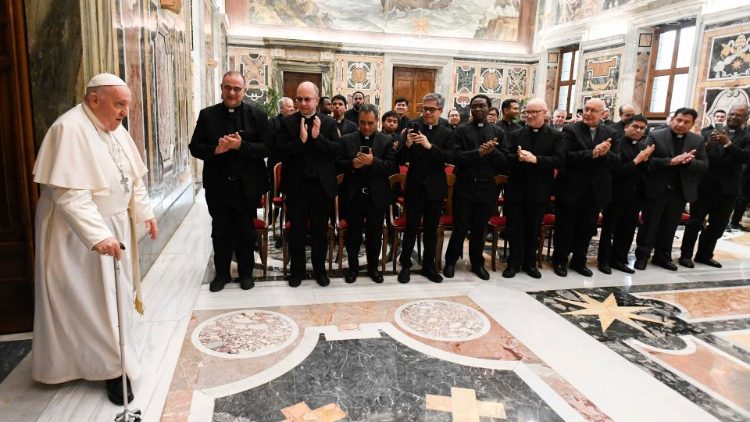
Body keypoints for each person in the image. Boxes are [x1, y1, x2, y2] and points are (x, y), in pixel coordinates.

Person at [32, 73, 159, 405]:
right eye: (119, 104)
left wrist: (145, 212)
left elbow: (132, 177)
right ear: (94, 99)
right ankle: (111, 371)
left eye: (126, 106)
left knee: (113, 300)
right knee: (92, 305)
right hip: (77, 235)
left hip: (112, 227)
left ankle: (114, 357)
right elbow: (70, 194)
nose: (123, 113)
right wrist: (98, 235)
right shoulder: (68, 129)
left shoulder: (114, 130)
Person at [189, 71, 270, 292]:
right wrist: (216, 149)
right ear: (221, 88)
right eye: (228, 87)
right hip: (219, 186)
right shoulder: (208, 115)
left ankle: (246, 273)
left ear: (244, 91)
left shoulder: (258, 116)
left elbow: (266, 147)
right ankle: (222, 274)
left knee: (246, 231)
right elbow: (194, 147)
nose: (232, 93)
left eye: (237, 89)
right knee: (221, 231)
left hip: (247, 187)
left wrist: (240, 146)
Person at [276, 81, 342, 287]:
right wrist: (300, 141)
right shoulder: (287, 123)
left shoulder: (329, 123)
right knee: (296, 232)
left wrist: (317, 138)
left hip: (321, 188)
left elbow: (336, 152)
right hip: (296, 187)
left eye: (307, 99)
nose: (303, 103)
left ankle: (320, 270)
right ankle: (297, 271)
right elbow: (278, 152)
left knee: (319, 232)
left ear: (317, 99)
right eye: (300, 99)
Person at [634, 108, 708, 271]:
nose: (681, 124)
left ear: (692, 124)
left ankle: (662, 257)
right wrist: (671, 161)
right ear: (673, 119)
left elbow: (704, 165)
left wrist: (688, 162)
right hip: (656, 189)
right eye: (678, 120)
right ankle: (642, 257)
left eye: (686, 122)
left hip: (679, 192)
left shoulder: (697, 140)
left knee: (670, 226)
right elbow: (646, 161)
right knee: (649, 225)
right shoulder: (656, 135)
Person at [553, 98, 619, 277]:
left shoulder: (611, 132)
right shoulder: (570, 129)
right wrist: (592, 153)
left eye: (593, 110)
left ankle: (579, 261)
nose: (588, 113)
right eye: (586, 109)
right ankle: (560, 260)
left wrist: (604, 154)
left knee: (587, 228)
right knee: (565, 227)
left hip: (595, 190)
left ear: (603, 113)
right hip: (571, 187)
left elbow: (617, 161)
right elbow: (565, 157)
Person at [443, 94, 507, 280]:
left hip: (487, 187)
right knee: (460, 227)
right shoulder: (461, 131)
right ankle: (450, 261)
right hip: (464, 186)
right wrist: (478, 152)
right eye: (474, 106)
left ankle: (477, 263)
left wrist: (492, 151)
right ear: (470, 109)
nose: (478, 109)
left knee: (480, 228)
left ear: (489, 109)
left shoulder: (498, 132)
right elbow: (455, 157)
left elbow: (504, 162)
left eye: (482, 106)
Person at [680, 105, 750, 268]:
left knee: (718, 226)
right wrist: (708, 145)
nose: (733, 117)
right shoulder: (706, 133)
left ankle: (704, 255)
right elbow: (697, 156)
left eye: (738, 116)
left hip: (729, 189)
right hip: (705, 187)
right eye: (731, 114)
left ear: (746, 118)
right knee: (694, 223)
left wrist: (728, 144)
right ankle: (686, 255)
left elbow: (746, 158)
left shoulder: (747, 136)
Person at [502, 99, 564, 279]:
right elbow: (505, 158)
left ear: (545, 113)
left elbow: (559, 161)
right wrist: (518, 158)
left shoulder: (556, 136)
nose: (529, 115)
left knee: (533, 228)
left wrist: (536, 160)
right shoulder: (516, 134)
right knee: (515, 228)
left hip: (539, 190)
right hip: (516, 189)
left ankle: (530, 263)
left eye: (533, 112)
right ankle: (513, 263)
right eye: (527, 112)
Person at [397, 93, 455, 284]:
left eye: (432, 109)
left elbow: (450, 156)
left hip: (435, 187)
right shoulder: (412, 125)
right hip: (414, 185)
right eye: (425, 108)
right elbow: (399, 158)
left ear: (440, 110)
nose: (427, 112)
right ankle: (405, 264)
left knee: (431, 229)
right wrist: (406, 145)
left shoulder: (447, 131)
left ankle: (429, 266)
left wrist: (430, 146)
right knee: (411, 227)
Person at [338, 104, 396, 283]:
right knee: (353, 236)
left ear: (377, 121)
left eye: (370, 123)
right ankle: (353, 269)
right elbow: (337, 164)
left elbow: (391, 168)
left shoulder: (386, 141)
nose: (366, 127)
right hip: (353, 196)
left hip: (376, 197)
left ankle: (373, 269)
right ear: (358, 121)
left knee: (374, 235)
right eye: (362, 123)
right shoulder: (347, 139)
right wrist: (351, 165)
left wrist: (373, 161)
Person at [597, 115, 653, 274]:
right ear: (626, 127)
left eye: (642, 128)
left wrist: (646, 160)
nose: (638, 130)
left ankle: (619, 259)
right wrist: (638, 160)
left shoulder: (642, 145)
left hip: (636, 196)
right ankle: (604, 261)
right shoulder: (617, 145)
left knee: (628, 229)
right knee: (610, 229)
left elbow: (646, 172)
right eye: (635, 126)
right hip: (616, 194)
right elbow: (617, 171)